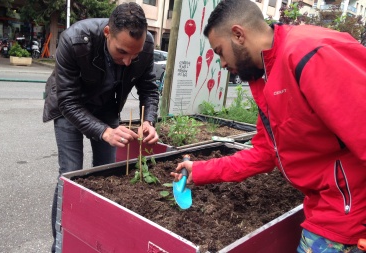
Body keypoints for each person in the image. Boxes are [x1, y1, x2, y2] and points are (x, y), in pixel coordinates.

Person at [171, 0, 366, 252]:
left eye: (219, 51)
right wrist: (199, 170)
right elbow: (264, 153)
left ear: (238, 34)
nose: (221, 63)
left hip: (347, 215)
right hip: (325, 205)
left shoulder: (308, 54)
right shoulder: (268, 75)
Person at [42, 2, 159, 252]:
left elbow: (149, 88)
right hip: (69, 107)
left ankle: (96, 239)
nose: (128, 61)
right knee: (70, 174)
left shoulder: (146, 45)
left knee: (107, 174)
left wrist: (149, 119)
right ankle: (60, 244)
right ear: (108, 33)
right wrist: (105, 131)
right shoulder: (75, 40)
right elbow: (68, 101)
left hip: (107, 108)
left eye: (134, 55)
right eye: (122, 52)